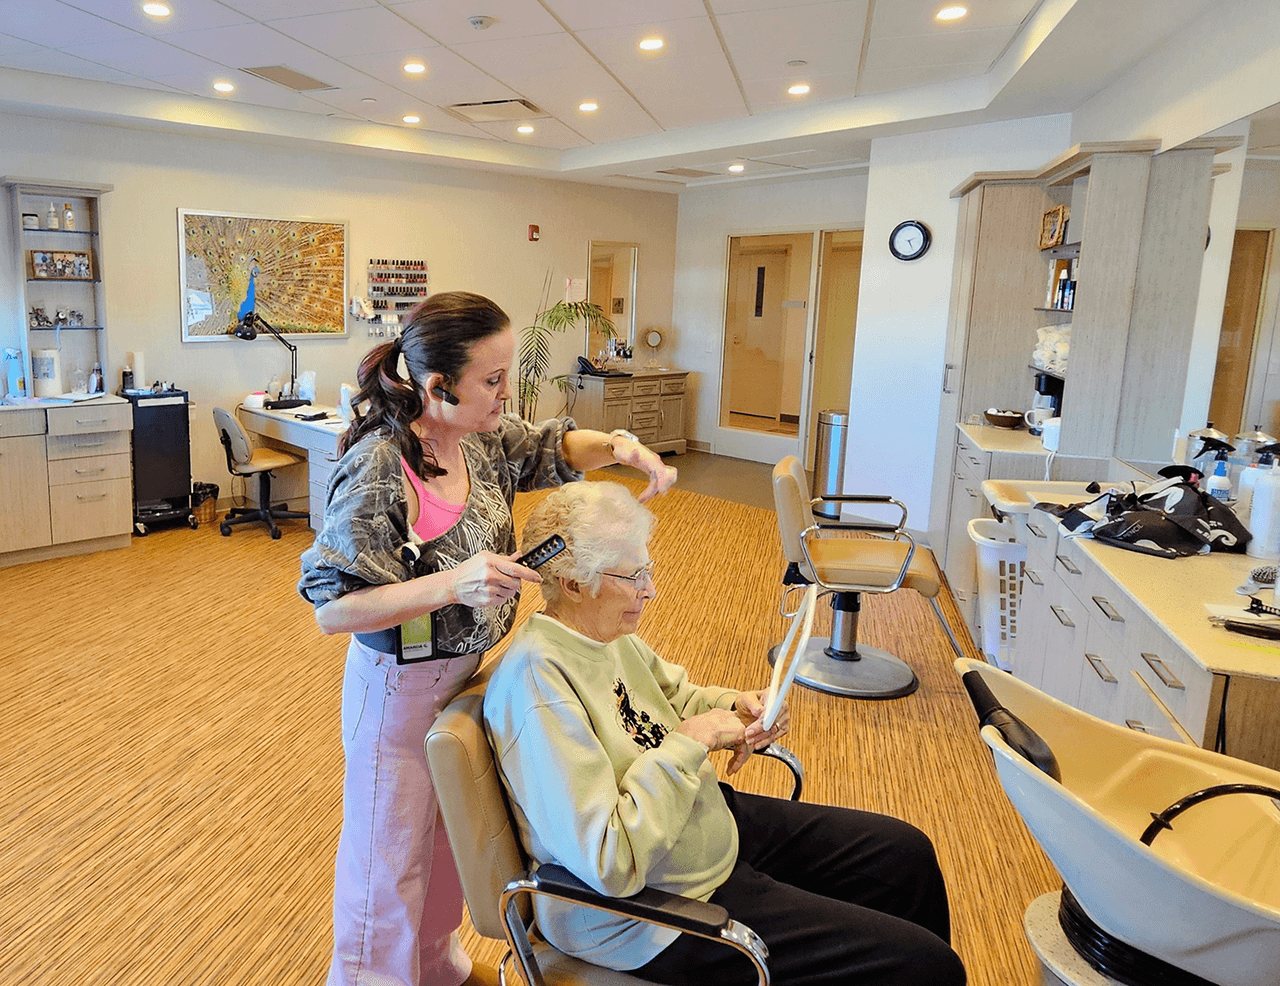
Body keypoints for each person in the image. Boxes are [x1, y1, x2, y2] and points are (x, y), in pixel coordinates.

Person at [297, 291, 677, 986]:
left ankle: (435, 967)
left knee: (446, 845)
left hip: (467, 674)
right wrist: (453, 584)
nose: (508, 393)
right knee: (390, 859)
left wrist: (622, 447)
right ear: (438, 386)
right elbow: (333, 608)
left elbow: (553, 446)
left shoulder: (479, 436)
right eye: (493, 381)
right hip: (399, 690)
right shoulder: (381, 465)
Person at [483, 482, 966, 986]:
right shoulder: (539, 687)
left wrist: (735, 709)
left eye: (647, 570)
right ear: (574, 583)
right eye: (632, 576)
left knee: (906, 856)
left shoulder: (601, 635)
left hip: (697, 831)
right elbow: (609, 860)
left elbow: (673, 698)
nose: (649, 589)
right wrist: (692, 741)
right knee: (928, 968)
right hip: (644, 915)